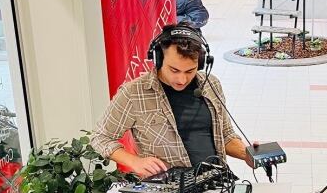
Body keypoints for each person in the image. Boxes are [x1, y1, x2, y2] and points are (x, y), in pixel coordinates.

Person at [91, 23, 253, 178]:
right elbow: (100, 137)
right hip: (169, 191)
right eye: (174, 70)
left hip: (217, 182)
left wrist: (248, 154)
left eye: (190, 71)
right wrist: (134, 161)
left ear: (202, 63)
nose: (182, 79)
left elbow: (225, 136)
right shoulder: (133, 93)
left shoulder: (211, 84)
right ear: (158, 59)